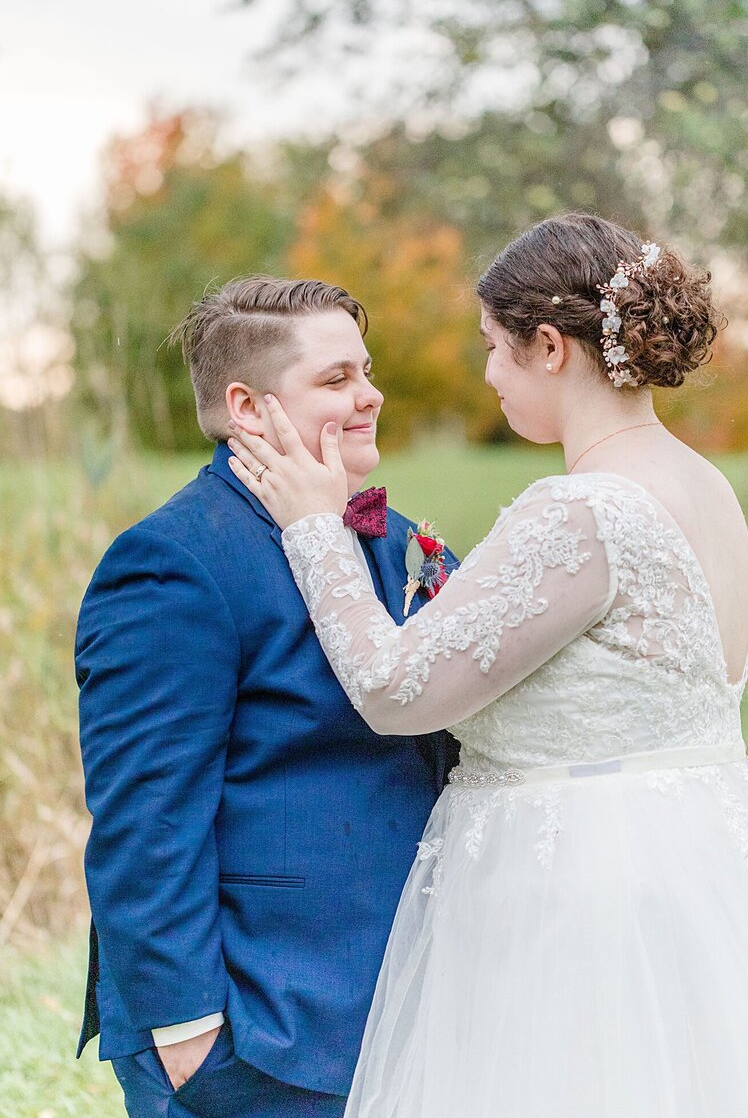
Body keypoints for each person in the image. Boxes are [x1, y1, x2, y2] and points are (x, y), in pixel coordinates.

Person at [228, 214, 748, 1117]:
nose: (488, 374)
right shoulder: (703, 482)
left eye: (495, 348)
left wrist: (312, 524)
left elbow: (393, 689)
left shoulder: (581, 511)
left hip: (581, 894)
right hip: (702, 860)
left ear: (548, 346)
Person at [75, 276, 458, 1118]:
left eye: (366, 370)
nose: (371, 396)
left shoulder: (400, 541)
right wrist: (188, 1035)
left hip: (402, 1007)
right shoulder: (173, 564)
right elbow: (146, 818)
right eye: (336, 381)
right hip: (260, 1027)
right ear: (247, 408)